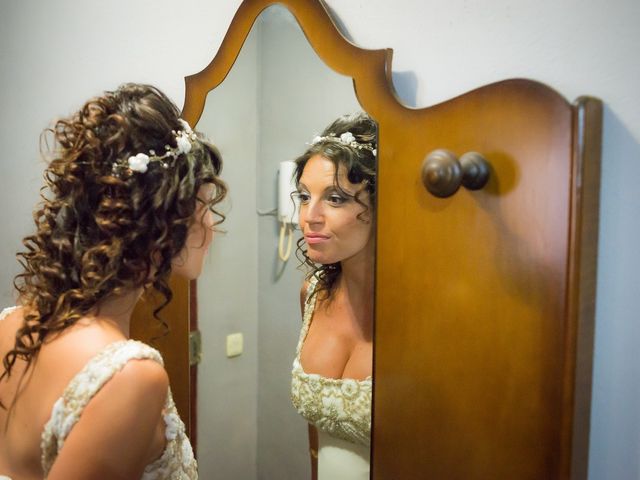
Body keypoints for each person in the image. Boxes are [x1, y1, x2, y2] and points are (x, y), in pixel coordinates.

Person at [0, 83, 226, 480]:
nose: (212, 225)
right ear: (165, 220)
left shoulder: (11, 325)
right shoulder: (128, 376)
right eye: (204, 204)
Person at [290, 112, 376, 479]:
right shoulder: (312, 294)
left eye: (336, 199)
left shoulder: (421, 313)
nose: (310, 216)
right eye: (305, 197)